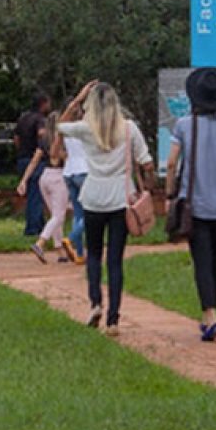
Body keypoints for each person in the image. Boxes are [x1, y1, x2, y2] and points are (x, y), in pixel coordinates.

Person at [57, 80, 154, 336]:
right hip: (121, 199)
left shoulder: (87, 129)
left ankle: (95, 303)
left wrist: (77, 99)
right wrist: (148, 188)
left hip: (92, 197)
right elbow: (147, 163)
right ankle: (113, 319)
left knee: (93, 255)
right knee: (115, 261)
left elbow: (59, 126)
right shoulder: (129, 129)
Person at [164, 68, 216, 343]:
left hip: (193, 204)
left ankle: (210, 314)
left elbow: (170, 162)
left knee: (201, 259)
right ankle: (210, 314)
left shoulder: (183, 126)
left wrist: (169, 196)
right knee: (215, 259)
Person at [17, 110, 72, 264]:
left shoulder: (44, 140)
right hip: (58, 177)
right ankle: (40, 243)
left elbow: (34, 161)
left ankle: (60, 251)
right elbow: (66, 159)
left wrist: (24, 180)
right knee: (58, 216)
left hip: (44, 177)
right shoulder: (63, 140)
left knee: (55, 215)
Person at [14, 92, 51, 236]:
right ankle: (32, 229)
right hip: (35, 160)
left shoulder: (23, 118)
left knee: (31, 194)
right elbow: (42, 135)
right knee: (36, 196)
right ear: (43, 104)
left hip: (22, 158)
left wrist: (22, 150)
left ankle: (40, 225)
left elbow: (16, 138)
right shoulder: (40, 120)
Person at [61, 132, 88, 264]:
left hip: (68, 171)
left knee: (78, 214)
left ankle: (80, 254)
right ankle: (70, 238)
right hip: (84, 170)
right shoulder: (87, 130)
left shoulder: (68, 131)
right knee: (90, 212)